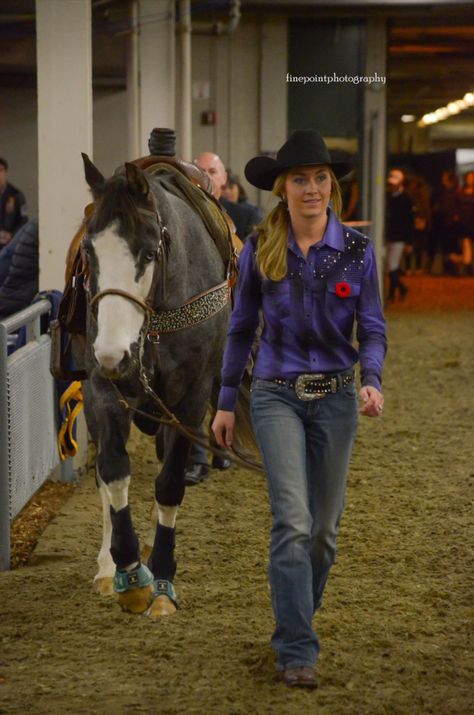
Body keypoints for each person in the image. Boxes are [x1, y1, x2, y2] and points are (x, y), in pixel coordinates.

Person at [211, 129, 387, 688]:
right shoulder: (261, 248)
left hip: (336, 398)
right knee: (292, 521)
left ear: (331, 187)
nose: (310, 188)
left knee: (323, 534)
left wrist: (372, 379)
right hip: (274, 395)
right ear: (282, 190)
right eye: (299, 180)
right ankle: (296, 650)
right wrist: (223, 404)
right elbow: (240, 330)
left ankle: (292, 621)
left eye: (319, 178)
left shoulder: (358, 253)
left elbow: (374, 328)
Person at [195, 152, 262, 240]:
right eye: (201, 172)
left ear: (224, 178)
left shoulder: (247, 217)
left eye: (212, 172)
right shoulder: (181, 211)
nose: (207, 177)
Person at [0, 219, 39, 319]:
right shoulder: (36, 229)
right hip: (18, 309)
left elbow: (5, 260)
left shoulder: (33, 228)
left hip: (12, 308)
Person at [385, 168, 414, 300]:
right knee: (391, 265)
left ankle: (394, 292)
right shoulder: (390, 198)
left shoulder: (406, 200)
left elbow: (409, 222)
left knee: (392, 265)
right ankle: (399, 290)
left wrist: (409, 242)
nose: (391, 186)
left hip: (399, 236)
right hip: (391, 235)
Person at [0, 157, 28, 250]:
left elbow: (24, 221)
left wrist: (11, 234)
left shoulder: (16, 195)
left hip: (10, 246)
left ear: (6, 172)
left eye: (0, 170)